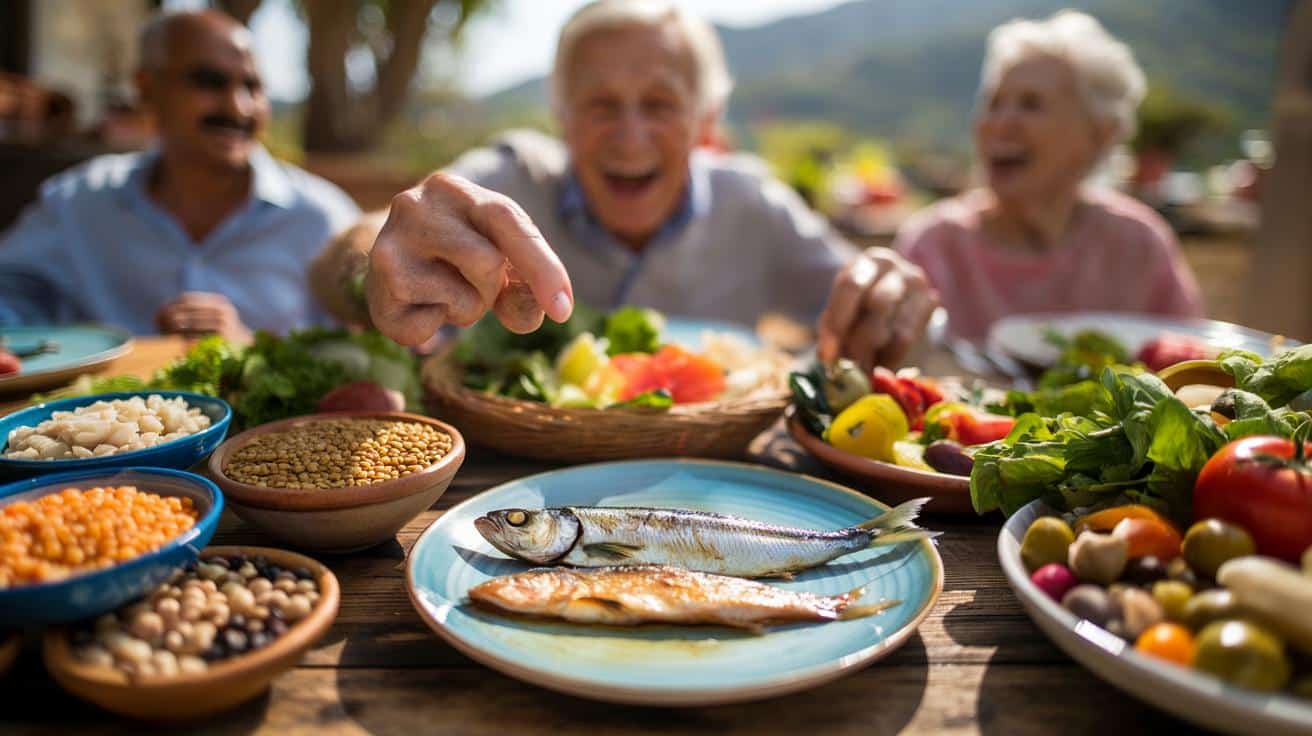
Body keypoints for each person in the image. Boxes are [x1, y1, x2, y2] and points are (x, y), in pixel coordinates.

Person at [317, 0, 937, 369]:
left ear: (706, 120)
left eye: (660, 104)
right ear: (562, 117)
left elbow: (881, 313)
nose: (629, 134)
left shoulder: (754, 204)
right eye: (601, 104)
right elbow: (337, 266)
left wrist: (895, 304)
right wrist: (370, 262)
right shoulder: (511, 180)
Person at [0, 10, 359, 342]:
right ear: (146, 88)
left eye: (252, 86)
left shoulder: (320, 218)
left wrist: (250, 352)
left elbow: (367, 348)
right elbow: (12, 292)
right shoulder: (78, 202)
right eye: (209, 82)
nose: (238, 107)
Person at [894, 10, 1203, 341]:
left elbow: (1189, 364)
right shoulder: (933, 247)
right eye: (994, 103)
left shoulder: (1139, 246)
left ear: (1098, 135)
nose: (998, 123)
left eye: (1031, 104)